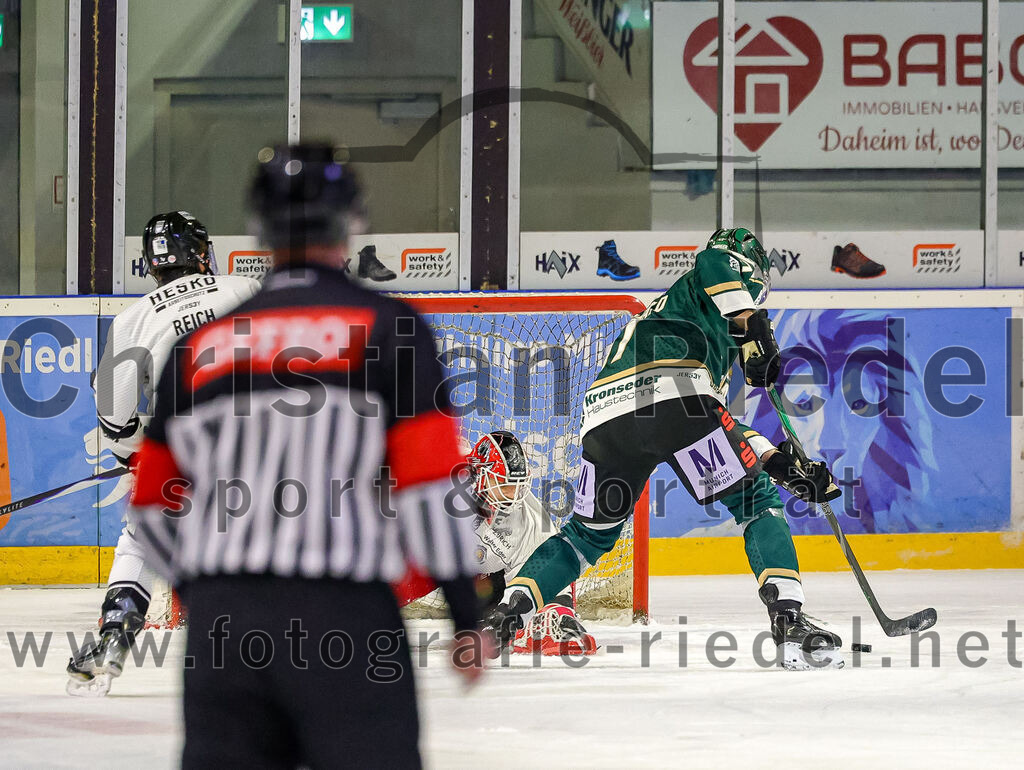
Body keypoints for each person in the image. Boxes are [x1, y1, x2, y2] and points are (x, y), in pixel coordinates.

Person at [130, 143, 486, 768]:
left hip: (225, 628)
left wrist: (206, 594)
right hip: (346, 623)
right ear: (351, 223)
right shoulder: (389, 326)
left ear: (258, 231)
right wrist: (463, 612)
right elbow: (430, 489)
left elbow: (152, 509)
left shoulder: (199, 347)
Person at [483, 227, 845, 671]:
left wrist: (781, 463)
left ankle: (504, 616)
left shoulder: (689, 327)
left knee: (584, 537)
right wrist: (754, 326)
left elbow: (719, 428)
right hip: (674, 401)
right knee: (756, 503)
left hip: (605, 419)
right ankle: (790, 622)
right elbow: (714, 260)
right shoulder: (713, 278)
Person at [66, 211, 260, 696]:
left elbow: (114, 412)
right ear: (201, 252)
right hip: (265, 447)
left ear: (152, 266)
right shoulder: (245, 289)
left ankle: (114, 636)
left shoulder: (133, 319)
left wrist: (133, 453)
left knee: (140, 540)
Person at [394, 430, 596, 655]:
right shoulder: (443, 479)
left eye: (516, 484)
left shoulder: (529, 518)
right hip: (424, 559)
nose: (512, 493)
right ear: (478, 475)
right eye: (502, 483)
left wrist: (558, 610)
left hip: (482, 583)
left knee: (504, 618)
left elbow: (550, 566)